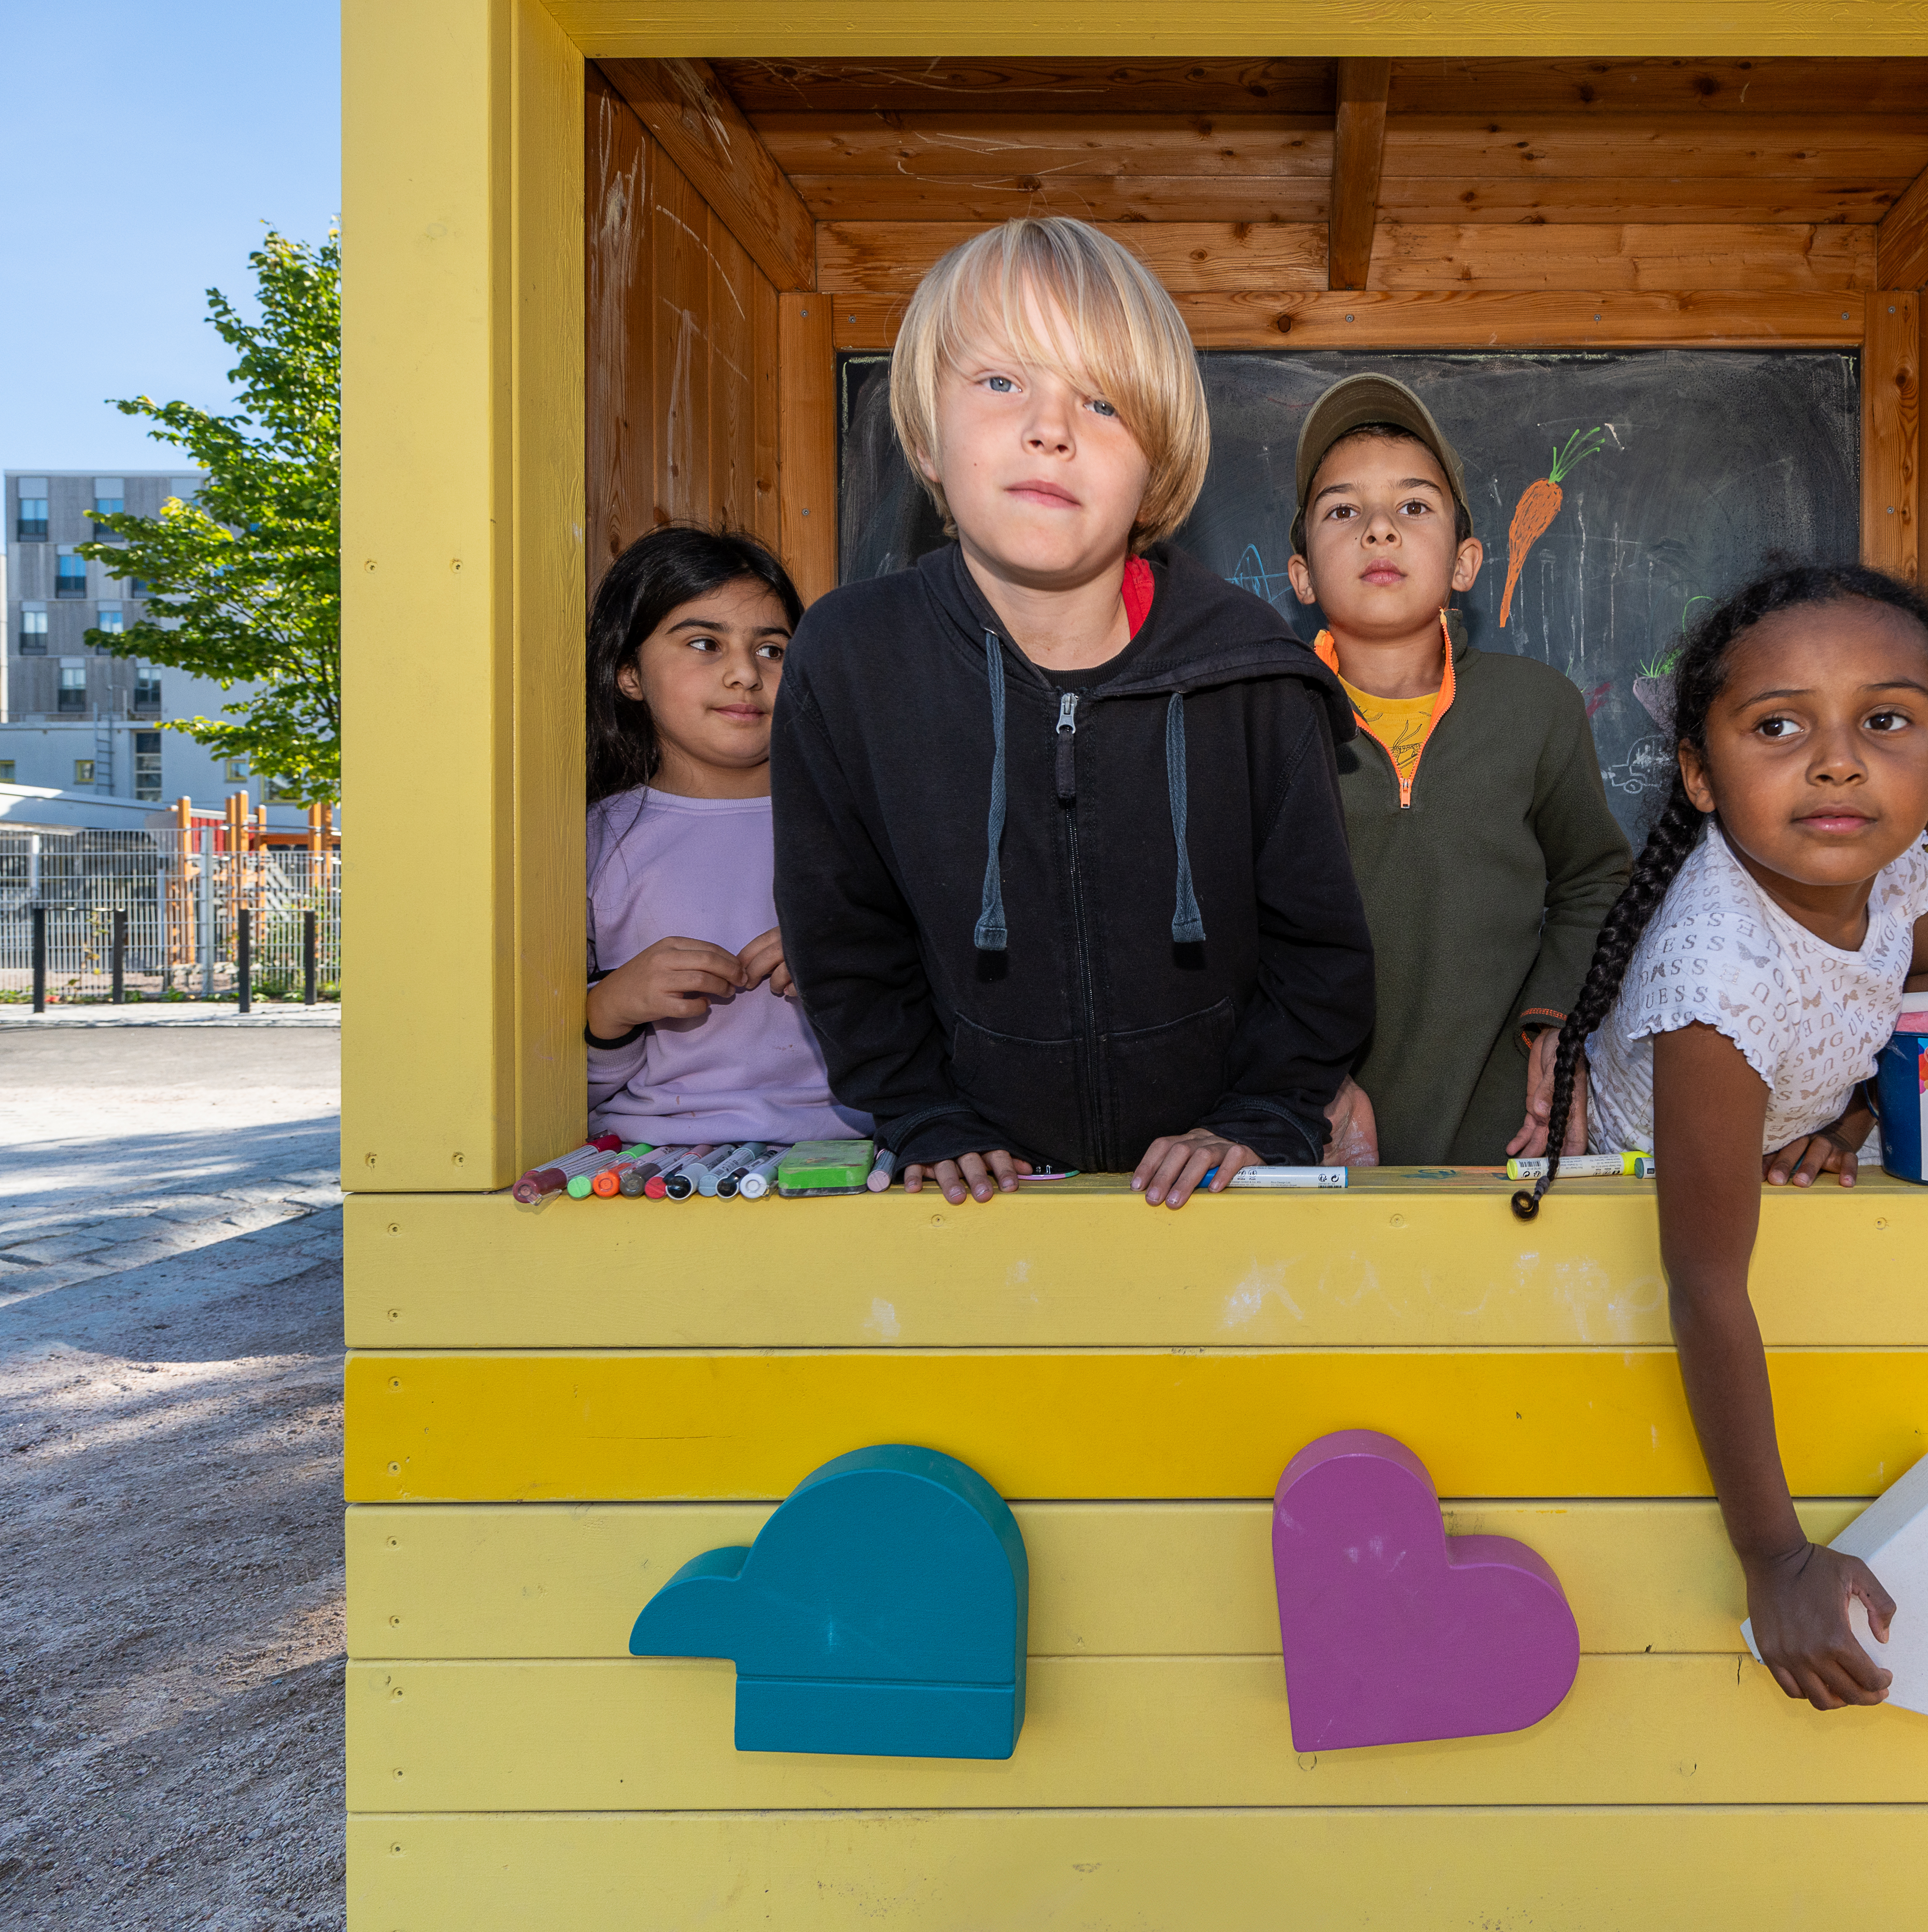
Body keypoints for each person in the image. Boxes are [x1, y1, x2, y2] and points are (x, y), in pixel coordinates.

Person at [769, 216, 1373, 1209]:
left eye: (1101, 401)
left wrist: (1263, 1115)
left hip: (1215, 1191)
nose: (1050, 428)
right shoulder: (848, 663)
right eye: (1002, 382)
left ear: (1157, 469)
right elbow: (845, 942)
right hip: (976, 1201)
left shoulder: (1255, 674)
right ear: (925, 429)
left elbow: (1319, 947)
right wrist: (924, 1115)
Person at [1512, 560, 1928, 1712]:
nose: (1838, 760)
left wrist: (1854, 1114)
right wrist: (1775, 1558)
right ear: (1699, 774)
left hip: (1771, 1148)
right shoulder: (1716, 979)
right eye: (1778, 725)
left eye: (1886, 721)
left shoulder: (1899, 866)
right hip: (1651, 1191)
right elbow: (1705, 1282)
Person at [1284, 375, 1631, 1166]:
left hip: (1500, 1132)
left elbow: (1595, 879)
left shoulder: (1535, 707)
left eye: (1413, 506)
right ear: (1301, 573)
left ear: (1466, 561)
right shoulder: (1264, 722)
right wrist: (1301, 1071)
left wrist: (1554, 1024)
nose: (1379, 530)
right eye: (1343, 511)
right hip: (1315, 1127)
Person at [583, 525, 871, 1145]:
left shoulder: (866, 822)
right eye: (705, 643)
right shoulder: (586, 844)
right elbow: (531, 1087)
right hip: (652, 1169)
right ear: (629, 672)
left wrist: (848, 967)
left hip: (860, 1153)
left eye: (771, 649)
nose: (745, 673)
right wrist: (609, 1009)